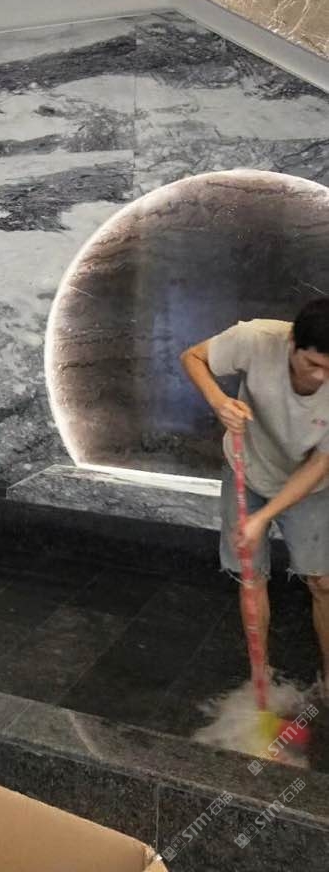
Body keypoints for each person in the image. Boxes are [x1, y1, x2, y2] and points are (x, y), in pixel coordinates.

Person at [181, 298, 329, 696]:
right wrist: (220, 402)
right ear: (293, 343)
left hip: (310, 483)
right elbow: (193, 357)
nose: (320, 378)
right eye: (313, 364)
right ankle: (260, 675)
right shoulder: (257, 338)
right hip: (246, 466)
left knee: (323, 581)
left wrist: (263, 518)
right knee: (251, 576)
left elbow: (319, 466)